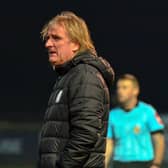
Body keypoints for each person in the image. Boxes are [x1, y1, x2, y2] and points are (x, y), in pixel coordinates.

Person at [38, 11, 115, 168]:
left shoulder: (84, 75)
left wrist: (64, 166)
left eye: (56, 38)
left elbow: (86, 133)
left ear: (76, 44)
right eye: (47, 38)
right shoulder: (69, 75)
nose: (48, 44)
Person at [105, 74, 165, 168]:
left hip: (144, 163)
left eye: (124, 87)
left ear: (135, 91)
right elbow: (109, 143)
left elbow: (159, 139)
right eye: (118, 88)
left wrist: (156, 164)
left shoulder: (148, 111)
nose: (120, 91)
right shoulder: (112, 115)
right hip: (119, 163)